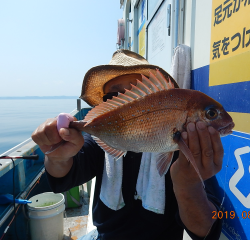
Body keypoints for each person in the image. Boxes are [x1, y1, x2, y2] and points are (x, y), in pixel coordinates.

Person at [31, 50, 223, 240]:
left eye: (137, 95)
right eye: (113, 97)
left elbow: (206, 230)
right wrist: (57, 157)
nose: (127, 104)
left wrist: (188, 185)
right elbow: (65, 174)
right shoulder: (101, 141)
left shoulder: (188, 150)